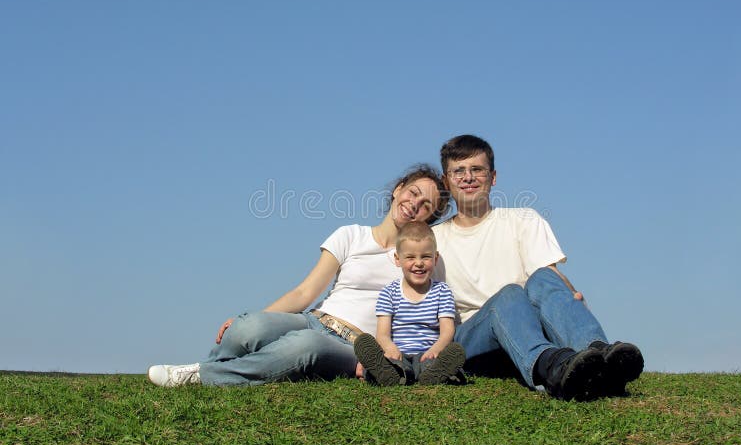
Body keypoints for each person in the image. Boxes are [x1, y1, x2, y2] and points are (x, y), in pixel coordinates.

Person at [147, 164, 449, 387]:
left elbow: (415, 313)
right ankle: (211, 369)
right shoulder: (350, 235)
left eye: (426, 206)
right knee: (247, 327)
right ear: (398, 190)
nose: (415, 205)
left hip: (355, 346)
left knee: (304, 345)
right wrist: (255, 319)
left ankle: (200, 376)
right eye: (413, 193)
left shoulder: (416, 260)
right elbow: (305, 292)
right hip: (317, 319)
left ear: (429, 220)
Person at [433, 135, 643, 401]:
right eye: (459, 171)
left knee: (541, 277)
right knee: (509, 294)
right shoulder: (433, 240)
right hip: (472, 338)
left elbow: (550, 276)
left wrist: (572, 298)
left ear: (493, 177)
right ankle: (552, 368)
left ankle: (599, 355)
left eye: (477, 170)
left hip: (526, 326)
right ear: (446, 181)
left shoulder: (524, 220)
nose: (468, 177)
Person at [354, 221, 466, 386]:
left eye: (426, 256)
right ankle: (389, 374)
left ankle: (434, 374)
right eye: (410, 257)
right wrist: (390, 347)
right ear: (398, 259)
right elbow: (382, 334)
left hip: (427, 353)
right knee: (395, 363)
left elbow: (447, 331)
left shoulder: (442, 291)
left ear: (435, 258)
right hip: (399, 353)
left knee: (432, 363)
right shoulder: (389, 292)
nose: (419, 263)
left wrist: (435, 349)